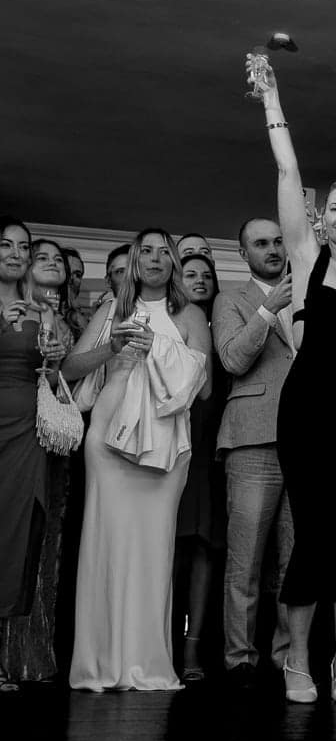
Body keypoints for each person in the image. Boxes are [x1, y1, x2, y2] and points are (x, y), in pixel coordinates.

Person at [248, 56, 336, 706]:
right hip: (307, 406)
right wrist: (273, 99)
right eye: (334, 206)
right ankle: (297, 660)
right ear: (323, 215)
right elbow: (287, 170)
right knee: (310, 534)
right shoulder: (307, 255)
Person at [63, 228, 210, 691]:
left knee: (153, 550)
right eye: (143, 251)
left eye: (162, 251)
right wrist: (115, 346)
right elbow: (69, 370)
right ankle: (100, 661)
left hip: (164, 442)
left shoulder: (190, 315)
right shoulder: (112, 308)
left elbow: (203, 388)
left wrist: (159, 351)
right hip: (108, 438)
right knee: (105, 546)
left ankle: (146, 662)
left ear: (173, 262)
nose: (153, 258)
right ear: (132, 260)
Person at [214, 218, 296, 686]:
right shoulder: (231, 299)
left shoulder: (308, 296)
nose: (272, 249)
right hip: (252, 440)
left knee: (294, 557)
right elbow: (232, 359)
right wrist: (268, 310)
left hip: (305, 442)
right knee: (245, 558)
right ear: (243, 253)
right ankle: (239, 658)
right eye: (261, 243)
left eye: (278, 241)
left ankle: (287, 654)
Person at [0, 222, 72, 690]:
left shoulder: (41, 308)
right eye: (6, 245)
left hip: (26, 430)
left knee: (14, 532)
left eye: (23, 247)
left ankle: (2, 661)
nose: (17, 253)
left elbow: (52, 374)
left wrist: (53, 346)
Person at [173, 253, 224, 683]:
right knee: (168, 546)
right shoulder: (165, 324)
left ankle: (194, 645)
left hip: (212, 447)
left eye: (208, 275)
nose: (201, 280)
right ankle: (163, 639)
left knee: (205, 545)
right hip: (169, 442)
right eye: (191, 274)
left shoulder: (225, 325)